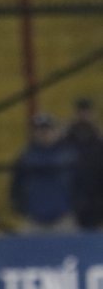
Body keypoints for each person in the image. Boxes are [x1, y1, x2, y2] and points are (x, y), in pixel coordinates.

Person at [10, 113, 79, 233]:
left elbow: (81, 184)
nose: (43, 133)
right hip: (34, 219)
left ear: (56, 131)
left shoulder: (70, 155)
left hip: (63, 218)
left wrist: (77, 206)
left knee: (67, 250)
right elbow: (16, 185)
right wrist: (22, 207)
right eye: (39, 130)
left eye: (47, 129)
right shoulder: (25, 157)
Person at [62, 97, 103, 230]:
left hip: (97, 200)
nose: (84, 115)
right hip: (72, 202)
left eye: (86, 111)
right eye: (81, 111)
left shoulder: (98, 140)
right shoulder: (66, 140)